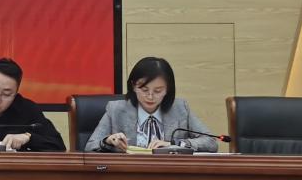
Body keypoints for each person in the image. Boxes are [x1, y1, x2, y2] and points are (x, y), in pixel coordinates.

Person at [85, 56, 218, 153]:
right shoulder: (116, 109)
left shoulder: (180, 108)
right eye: (144, 90)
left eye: (157, 91)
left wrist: (174, 144)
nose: (150, 96)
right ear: (133, 86)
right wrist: (108, 141)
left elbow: (211, 142)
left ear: (168, 89)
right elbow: (90, 146)